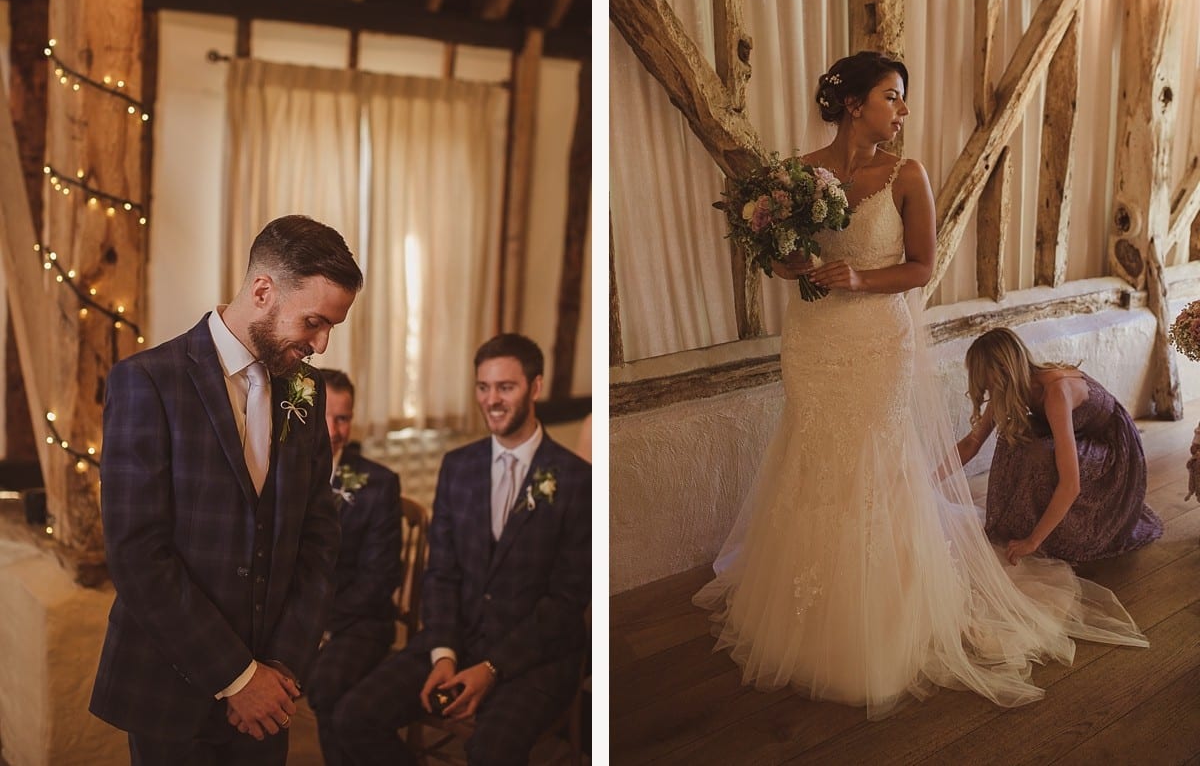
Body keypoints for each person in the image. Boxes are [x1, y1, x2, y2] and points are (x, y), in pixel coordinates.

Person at [693, 51, 1149, 719]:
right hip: (814, 339)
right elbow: (794, 258)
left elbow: (921, 267)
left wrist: (858, 279)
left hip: (877, 335)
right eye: (892, 96)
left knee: (870, 461)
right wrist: (789, 259)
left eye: (902, 99)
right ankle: (806, 607)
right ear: (853, 103)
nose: (902, 111)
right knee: (814, 455)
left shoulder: (907, 175)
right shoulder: (797, 173)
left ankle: (879, 614)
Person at [90, 215, 363, 765]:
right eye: (313, 321)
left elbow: (318, 539)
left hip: (269, 698)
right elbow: (138, 554)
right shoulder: (147, 382)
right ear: (263, 290)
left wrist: (280, 669)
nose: (322, 344)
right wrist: (238, 678)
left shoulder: (306, 392)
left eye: (331, 326)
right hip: (169, 687)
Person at [329, 333, 590, 765]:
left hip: (535, 660)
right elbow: (441, 574)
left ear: (535, 388)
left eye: (506, 387)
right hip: (456, 643)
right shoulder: (458, 466)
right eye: (483, 387)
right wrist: (444, 653)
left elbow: (565, 604)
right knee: (353, 717)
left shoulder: (578, 481)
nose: (492, 400)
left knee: (491, 751)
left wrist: (492, 668)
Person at [958, 327, 1163, 564]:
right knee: (1014, 438)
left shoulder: (1055, 392)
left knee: (1041, 454)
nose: (986, 388)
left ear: (1003, 371)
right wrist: (925, 481)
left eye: (987, 380)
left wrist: (1033, 542)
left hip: (1112, 450)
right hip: (1078, 434)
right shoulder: (1011, 387)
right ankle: (1016, 523)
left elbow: (1071, 484)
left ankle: (1059, 531)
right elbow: (972, 442)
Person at [307, 369, 403, 766]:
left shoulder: (379, 485)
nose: (333, 430)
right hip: (300, 617)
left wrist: (321, 621)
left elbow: (380, 580)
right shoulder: (284, 475)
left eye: (343, 418)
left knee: (326, 687)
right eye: (326, 416)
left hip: (361, 622)